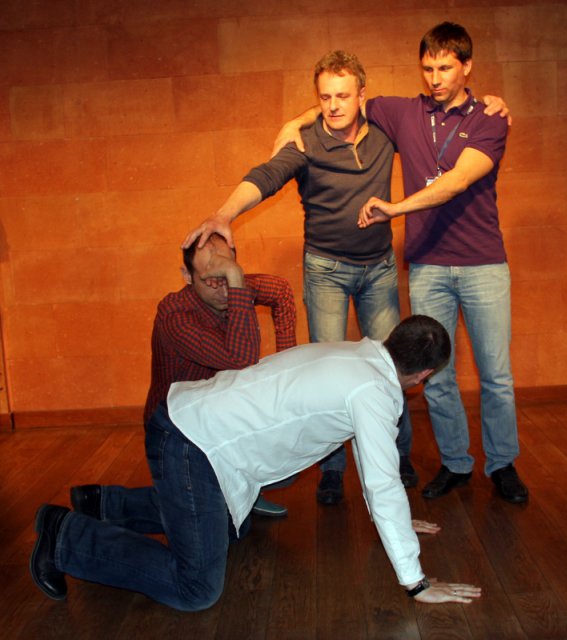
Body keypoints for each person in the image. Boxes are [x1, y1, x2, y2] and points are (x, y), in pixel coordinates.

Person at [31, 314, 484, 610]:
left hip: (190, 423)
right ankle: (66, 537)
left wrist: (394, 521)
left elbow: (371, 466)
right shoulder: (373, 392)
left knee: (234, 526)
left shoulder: (356, 355)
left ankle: (101, 503)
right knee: (196, 589)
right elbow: (382, 483)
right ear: (424, 375)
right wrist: (417, 582)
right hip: (191, 445)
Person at [275, 25, 525, 505]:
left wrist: (395, 209)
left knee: (496, 376)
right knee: (437, 375)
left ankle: (503, 464)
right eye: (428, 68)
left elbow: (458, 180)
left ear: (467, 66)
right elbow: (343, 102)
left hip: (483, 265)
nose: (435, 78)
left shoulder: (490, 119)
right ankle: (455, 464)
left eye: (445, 67)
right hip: (427, 266)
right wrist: (295, 123)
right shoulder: (404, 111)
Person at [184, 51, 419, 507]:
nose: (333, 106)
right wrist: (224, 214)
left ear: (362, 95)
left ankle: (398, 455)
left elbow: (433, 123)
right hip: (326, 271)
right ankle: (331, 469)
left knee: (391, 367)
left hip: (379, 269)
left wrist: (486, 103)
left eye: (342, 96)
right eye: (324, 98)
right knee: (328, 377)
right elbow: (267, 175)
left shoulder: (384, 132)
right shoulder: (305, 142)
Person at [69, 233, 298, 528]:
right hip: (176, 431)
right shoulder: (175, 315)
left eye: (228, 275)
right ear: (187, 276)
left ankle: (236, 492)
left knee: (288, 457)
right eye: (211, 280)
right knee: (224, 527)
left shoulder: (235, 284)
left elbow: (281, 292)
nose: (224, 290)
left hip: (218, 416)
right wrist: (236, 280)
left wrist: (285, 361)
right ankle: (103, 502)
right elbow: (240, 358)